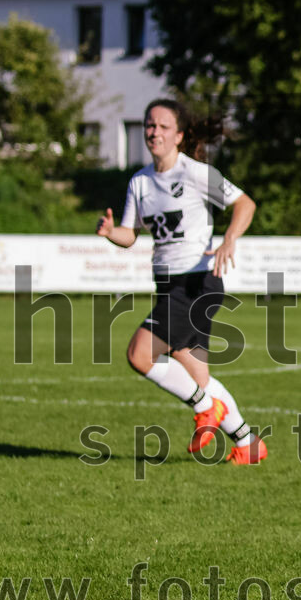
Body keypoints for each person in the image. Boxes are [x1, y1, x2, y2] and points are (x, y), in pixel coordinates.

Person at [96, 99, 267, 465]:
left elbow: (246, 204)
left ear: (179, 135)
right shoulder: (140, 182)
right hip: (169, 285)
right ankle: (248, 442)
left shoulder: (196, 173)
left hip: (197, 283)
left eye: (161, 125)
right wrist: (113, 233)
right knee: (195, 372)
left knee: (140, 354)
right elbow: (131, 234)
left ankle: (206, 409)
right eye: (148, 125)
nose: (153, 131)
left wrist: (230, 239)